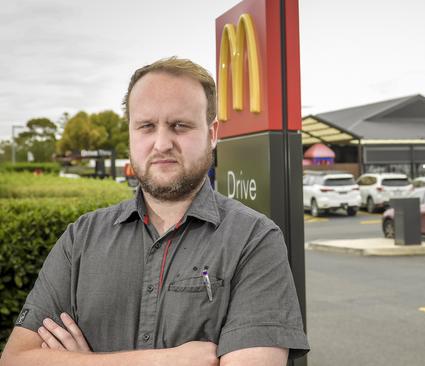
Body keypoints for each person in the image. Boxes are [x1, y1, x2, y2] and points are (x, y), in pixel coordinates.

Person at [0, 57, 309, 366]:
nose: (162, 143)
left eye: (180, 125)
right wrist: (166, 360)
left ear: (212, 134)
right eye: (147, 126)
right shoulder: (81, 238)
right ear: (131, 133)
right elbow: (16, 359)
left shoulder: (253, 240)